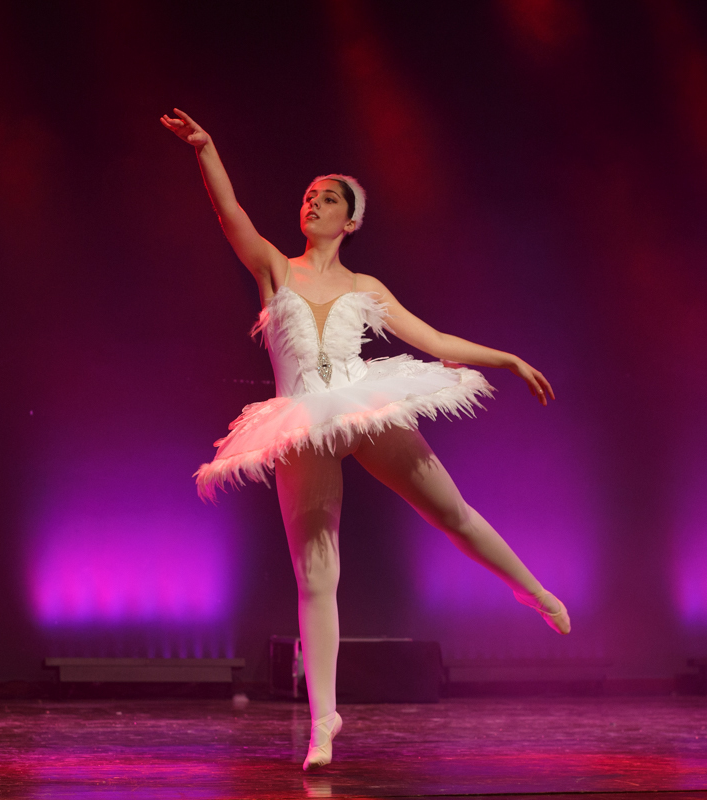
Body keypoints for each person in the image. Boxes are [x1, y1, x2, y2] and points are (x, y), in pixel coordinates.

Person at [160, 108, 570, 770]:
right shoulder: (274, 268)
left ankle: (531, 589)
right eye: (308, 196)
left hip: (363, 404)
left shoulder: (364, 286)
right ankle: (324, 722)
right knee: (316, 578)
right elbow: (230, 214)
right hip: (302, 421)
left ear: (350, 221)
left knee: (452, 513)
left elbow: (433, 340)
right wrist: (205, 148)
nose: (313, 203)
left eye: (328, 198)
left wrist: (508, 359)